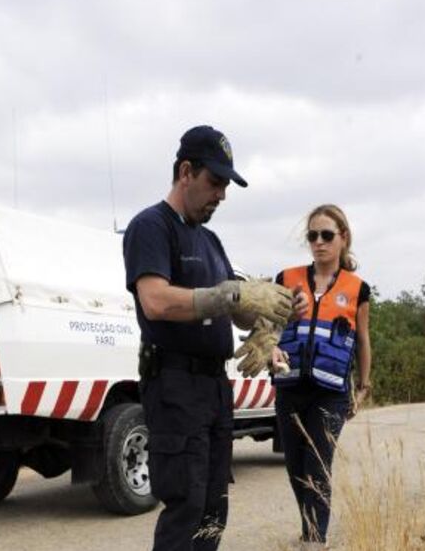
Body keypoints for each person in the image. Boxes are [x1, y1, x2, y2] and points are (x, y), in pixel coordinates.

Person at [122, 125, 293, 551]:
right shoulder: (151, 226)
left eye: (226, 185)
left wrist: (266, 327)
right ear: (185, 172)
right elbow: (156, 301)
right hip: (175, 386)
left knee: (214, 507)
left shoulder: (211, 240)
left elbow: (234, 306)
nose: (221, 194)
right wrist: (227, 294)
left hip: (215, 388)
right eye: (214, 182)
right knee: (186, 504)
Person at [270, 204, 372, 548]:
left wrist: (364, 386)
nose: (319, 242)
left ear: (343, 238)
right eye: (312, 235)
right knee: (295, 466)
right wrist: (270, 348)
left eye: (327, 235)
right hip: (289, 386)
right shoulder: (286, 279)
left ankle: (315, 540)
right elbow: (268, 326)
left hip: (331, 392)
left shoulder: (358, 288)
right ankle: (308, 527)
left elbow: (362, 340)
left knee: (317, 462)